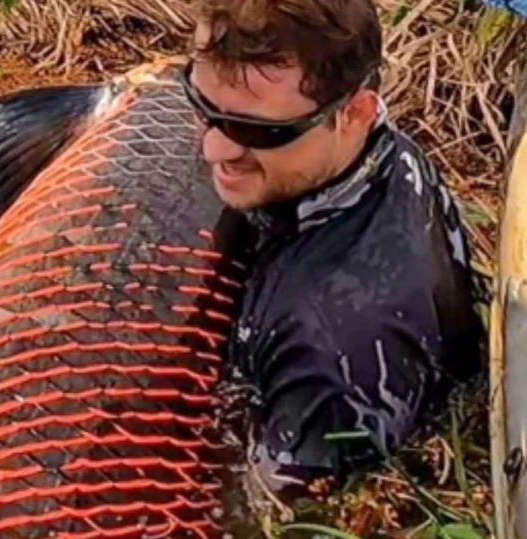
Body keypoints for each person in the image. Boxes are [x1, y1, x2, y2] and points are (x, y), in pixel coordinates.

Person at [179, 0, 483, 497]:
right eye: (201, 104)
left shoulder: (332, 357)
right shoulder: (370, 153)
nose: (214, 149)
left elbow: (285, 510)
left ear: (356, 113)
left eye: (259, 131)